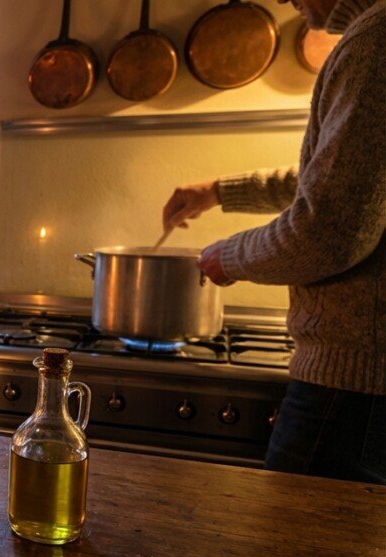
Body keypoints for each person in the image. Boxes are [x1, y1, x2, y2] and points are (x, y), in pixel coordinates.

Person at [161, 0, 385, 484]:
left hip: (353, 383)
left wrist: (231, 256)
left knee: (301, 555)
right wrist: (219, 191)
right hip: (360, 382)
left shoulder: (375, 40)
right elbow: (330, 179)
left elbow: (330, 230)